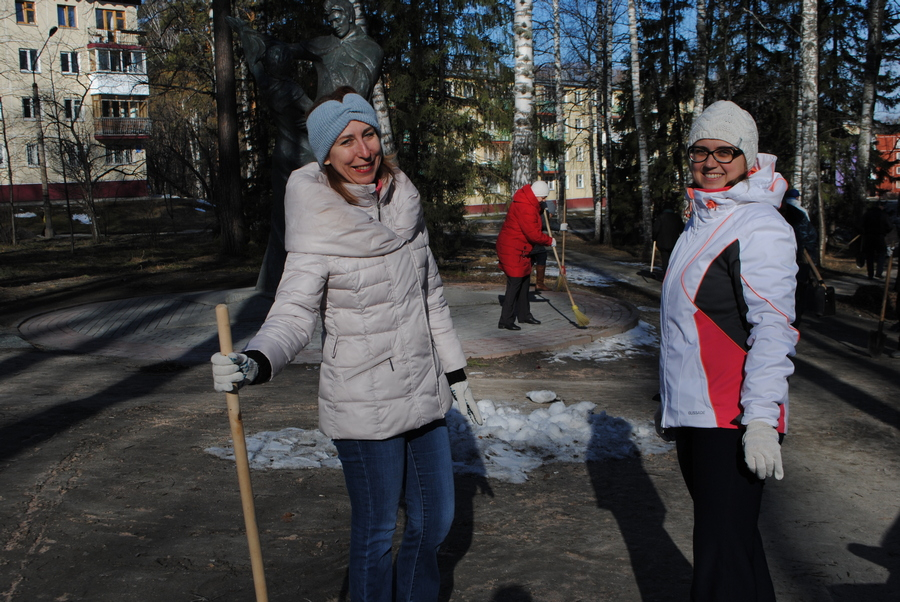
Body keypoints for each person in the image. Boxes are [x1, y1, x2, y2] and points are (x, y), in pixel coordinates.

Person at [210, 88, 482, 602]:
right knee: (376, 533)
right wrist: (257, 360)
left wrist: (456, 373)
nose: (363, 151)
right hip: (363, 403)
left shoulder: (403, 202)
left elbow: (432, 300)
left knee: (436, 520)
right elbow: (293, 311)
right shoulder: (319, 222)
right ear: (326, 155)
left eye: (368, 134)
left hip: (424, 392)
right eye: (346, 141)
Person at [656, 100, 799, 601]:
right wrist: (671, 403)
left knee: (721, 562)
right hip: (696, 417)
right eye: (700, 150)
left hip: (733, 419)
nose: (710, 161)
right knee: (735, 551)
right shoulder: (701, 221)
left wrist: (760, 419)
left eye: (725, 151)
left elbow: (773, 329)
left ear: (747, 158)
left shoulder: (759, 227)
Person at [496, 181, 556, 330]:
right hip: (512, 249)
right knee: (515, 284)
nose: (543, 200)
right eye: (542, 197)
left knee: (524, 283)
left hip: (521, 249)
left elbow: (534, 221)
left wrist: (541, 209)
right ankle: (505, 320)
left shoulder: (529, 203)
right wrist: (549, 241)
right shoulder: (525, 207)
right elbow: (533, 234)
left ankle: (524, 315)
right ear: (536, 195)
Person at [779, 188, 818, 327]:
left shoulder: (795, 214)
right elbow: (810, 238)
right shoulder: (800, 213)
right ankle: (793, 323)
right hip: (798, 260)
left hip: (791, 259)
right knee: (796, 293)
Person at [862, 199, 893, 279]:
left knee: (870, 256)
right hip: (879, 236)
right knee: (881, 254)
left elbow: (861, 224)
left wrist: (865, 232)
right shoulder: (883, 215)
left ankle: (870, 274)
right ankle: (879, 272)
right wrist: (885, 232)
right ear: (880, 206)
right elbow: (890, 226)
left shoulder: (867, 214)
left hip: (869, 236)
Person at [651, 207, 684, 273]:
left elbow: (656, 230)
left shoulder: (660, 217)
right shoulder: (677, 217)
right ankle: (672, 273)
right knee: (673, 259)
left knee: (665, 259)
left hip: (662, 242)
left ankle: (665, 273)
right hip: (674, 242)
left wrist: (654, 238)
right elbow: (682, 229)